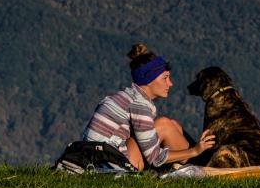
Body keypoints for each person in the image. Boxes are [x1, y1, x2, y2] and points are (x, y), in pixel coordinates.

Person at [82, 43, 215, 170]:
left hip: (99, 158)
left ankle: (197, 161)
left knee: (172, 124)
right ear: (149, 80)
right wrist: (194, 151)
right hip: (109, 164)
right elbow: (154, 157)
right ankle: (203, 166)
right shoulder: (139, 105)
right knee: (164, 125)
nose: (170, 83)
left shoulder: (128, 97)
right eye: (165, 78)